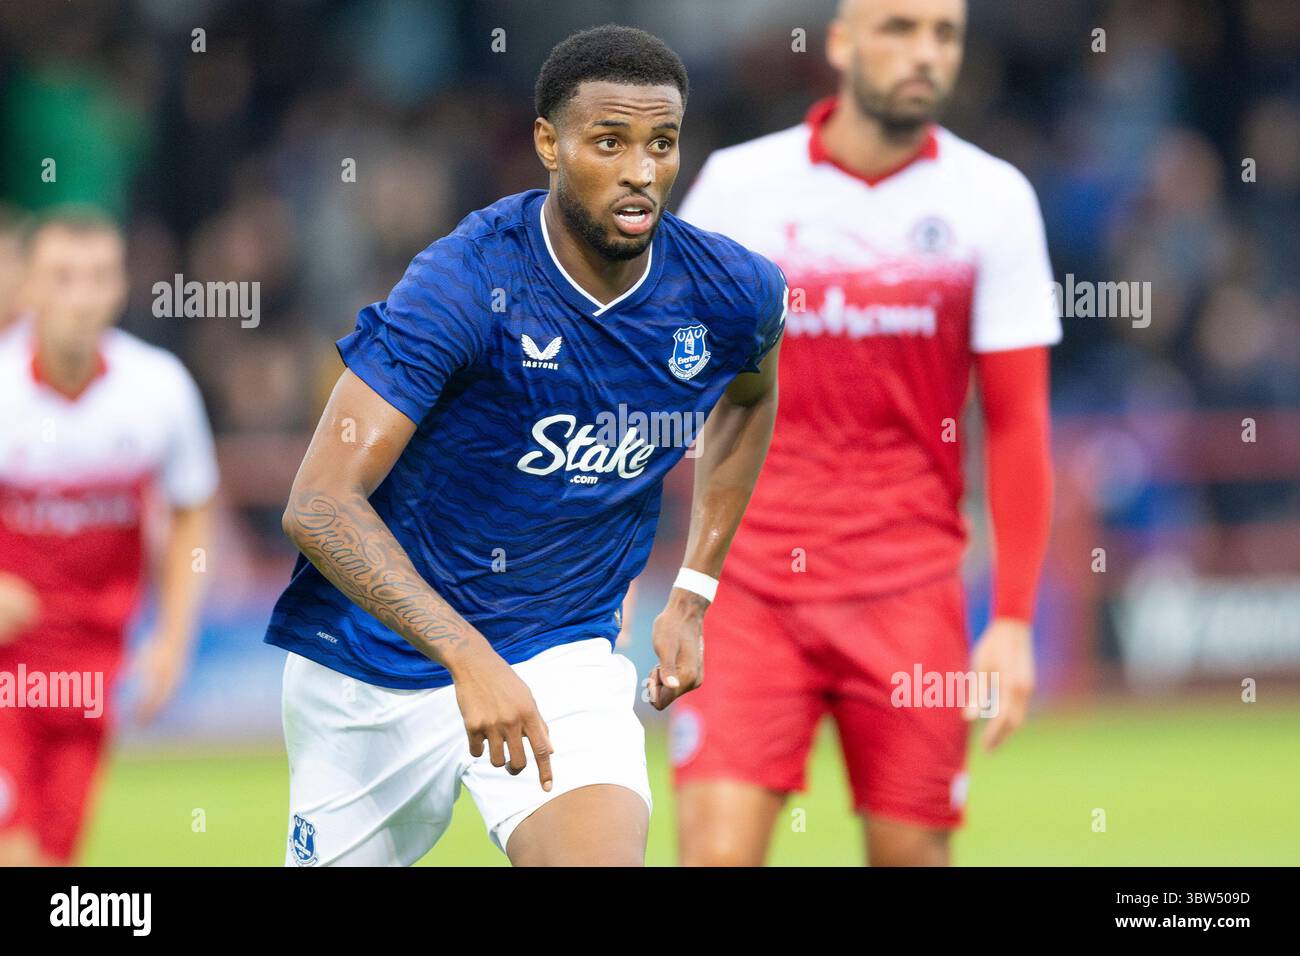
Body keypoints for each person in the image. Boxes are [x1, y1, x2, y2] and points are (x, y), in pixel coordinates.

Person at [263, 24, 788, 867]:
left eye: (662, 143)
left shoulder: (732, 292)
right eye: (609, 142)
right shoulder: (464, 282)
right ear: (548, 142)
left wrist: (692, 590)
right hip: (374, 664)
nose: (642, 172)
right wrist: (467, 656)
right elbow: (319, 503)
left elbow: (750, 397)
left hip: (560, 651)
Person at [672, 0, 1060, 866]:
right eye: (899, 27)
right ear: (842, 44)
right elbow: (667, 379)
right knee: (713, 857)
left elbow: (1020, 420)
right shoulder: (739, 187)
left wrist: (1014, 616)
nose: (924, 51)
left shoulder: (993, 200)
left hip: (911, 591)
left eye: (944, 34)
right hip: (747, 588)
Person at [0, 208, 218, 865]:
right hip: (7, 664)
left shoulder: (158, 390)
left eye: (98, 276)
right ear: (29, 287)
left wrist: (174, 639)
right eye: (62, 277)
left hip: (94, 666)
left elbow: (191, 510)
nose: (81, 296)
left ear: (120, 286)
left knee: (57, 857)